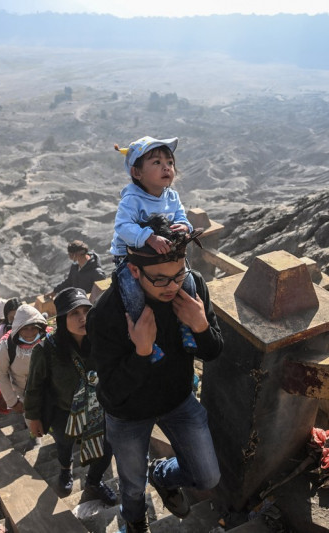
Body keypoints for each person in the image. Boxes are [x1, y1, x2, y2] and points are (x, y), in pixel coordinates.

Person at [87, 219, 224, 532]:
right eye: (160, 280)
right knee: (133, 485)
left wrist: (201, 326)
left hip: (178, 398)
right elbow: (111, 393)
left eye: (179, 274)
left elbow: (214, 351)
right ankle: (135, 521)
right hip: (128, 414)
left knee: (207, 477)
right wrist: (142, 353)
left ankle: (162, 474)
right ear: (135, 270)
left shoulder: (192, 289)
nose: (173, 286)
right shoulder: (107, 314)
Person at [25, 288, 117, 506]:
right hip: (63, 411)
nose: (82, 318)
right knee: (64, 445)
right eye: (75, 313)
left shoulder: (99, 339)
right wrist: (33, 418)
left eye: (86, 311)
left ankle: (93, 482)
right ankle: (66, 469)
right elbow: (34, 386)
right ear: (62, 318)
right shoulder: (47, 348)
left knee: (107, 448)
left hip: (97, 409)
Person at [111, 136, 199, 359]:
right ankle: (142, 336)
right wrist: (148, 237)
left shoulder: (172, 196)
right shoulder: (132, 199)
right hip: (130, 258)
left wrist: (185, 227)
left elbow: (181, 217)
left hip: (165, 258)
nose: (166, 167)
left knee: (188, 282)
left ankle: (186, 326)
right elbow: (122, 226)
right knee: (131, 291)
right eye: (157, 163)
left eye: (169, 162)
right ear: (137, 173)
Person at [0, 304, 47, 418]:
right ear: (18, 329)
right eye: (25, 328)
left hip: (51, 394)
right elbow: (1, 374)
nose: (30, 333)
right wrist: (13, 402)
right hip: (26, 397)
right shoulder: (5, 347)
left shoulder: (47, 340)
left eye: (33, 328)